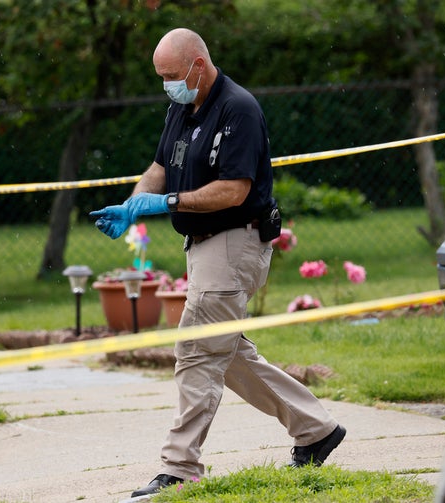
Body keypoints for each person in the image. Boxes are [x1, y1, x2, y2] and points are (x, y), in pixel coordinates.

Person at [90, 27, 345, 499]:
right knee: (227, 355)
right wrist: (133, 205)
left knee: (196, 352)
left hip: (235, 241)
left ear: (198, 66)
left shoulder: (238, 109)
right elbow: (159, 168)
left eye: (171, 75)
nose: (167, 84)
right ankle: (316, 430)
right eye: (161, 77)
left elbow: (234, 190)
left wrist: (166, 203)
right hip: (206, 246)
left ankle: (179, 467)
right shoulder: (181, 108)